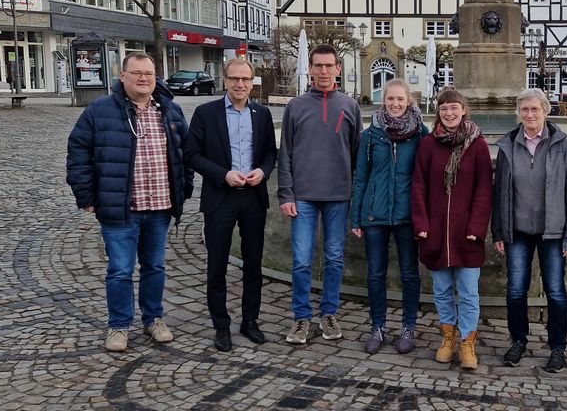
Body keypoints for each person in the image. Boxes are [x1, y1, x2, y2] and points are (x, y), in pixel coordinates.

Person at [66, 52, 194, 353]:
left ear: (156, 77)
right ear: (122, 76)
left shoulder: (170, 111)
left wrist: (184, 189)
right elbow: (78, 153)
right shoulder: (100, 110)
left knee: (154, 266)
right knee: (120, 270)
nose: (143, 79)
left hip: (160, 207)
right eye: (136, 73)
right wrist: (86, 195)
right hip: (121, 208)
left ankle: (153, 319)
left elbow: (185, 155)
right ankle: (119, 325)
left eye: (149, 73)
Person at [184, 59, 277, 352]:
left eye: (246, 79)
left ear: (252, 82)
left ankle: (250, 321)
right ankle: (221, 326)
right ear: (225, 80)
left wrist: (263, 171)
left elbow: (270, 154)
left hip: (252, 196)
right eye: (235, 79)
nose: (240, 84)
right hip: (220, 196)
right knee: (217, 265)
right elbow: (191, 155)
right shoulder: (206, 113)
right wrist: (223, 175)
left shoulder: (261, 114)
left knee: (253, 264)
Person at [278, 44, 362, 345]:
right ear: (310, 69)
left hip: (338, 196)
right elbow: (284, 153)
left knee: (334, 258)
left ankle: (328, 312)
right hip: (302, 196)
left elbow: (356, 156)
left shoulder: (350, 106)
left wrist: (358, 199)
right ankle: (301, 317)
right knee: (301, 260)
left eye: (329, 66)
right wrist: (285, 194)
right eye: (318, 66)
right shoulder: (296, 106)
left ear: (338, 68)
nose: (324, 71)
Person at [492, 88, 567, 373]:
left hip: (552, 232)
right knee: (516, 290)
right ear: (518, 113)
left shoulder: (560, 144)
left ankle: (558, 347)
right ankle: (518, 341)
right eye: (525, 110)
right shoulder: (508, 144)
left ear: (545, 111)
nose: (529, 115)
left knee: (555, 291)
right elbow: (499, 192)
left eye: (535, 109)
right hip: (517, 231)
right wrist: (499, 232)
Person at [411, 88, 492, 370]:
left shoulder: (478, 145)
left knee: (468, 292)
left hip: (466, 233)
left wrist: (477, 226)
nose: (449, 112)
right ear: (439, 112)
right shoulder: (428, 144)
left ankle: (467, 342)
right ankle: (448, 337)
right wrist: (420, 223)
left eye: (454, 107)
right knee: (442, 290)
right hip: (435, 232)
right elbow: (418, 185)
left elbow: (484, 189)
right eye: (444, 108)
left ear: (463, 110)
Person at [350, 79, 428, 355]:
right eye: (390, 99)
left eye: (400, 99)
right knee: (375, 274)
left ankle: (408, 327)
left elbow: (427, 177)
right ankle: (378, 327)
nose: (395, 104)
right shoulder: (372, 135)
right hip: (376, 214)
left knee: (409, 274)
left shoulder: (420, 133)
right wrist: (356, 216)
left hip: (408, 215)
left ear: (409, 101)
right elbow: (361, 177)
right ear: (384, 101)